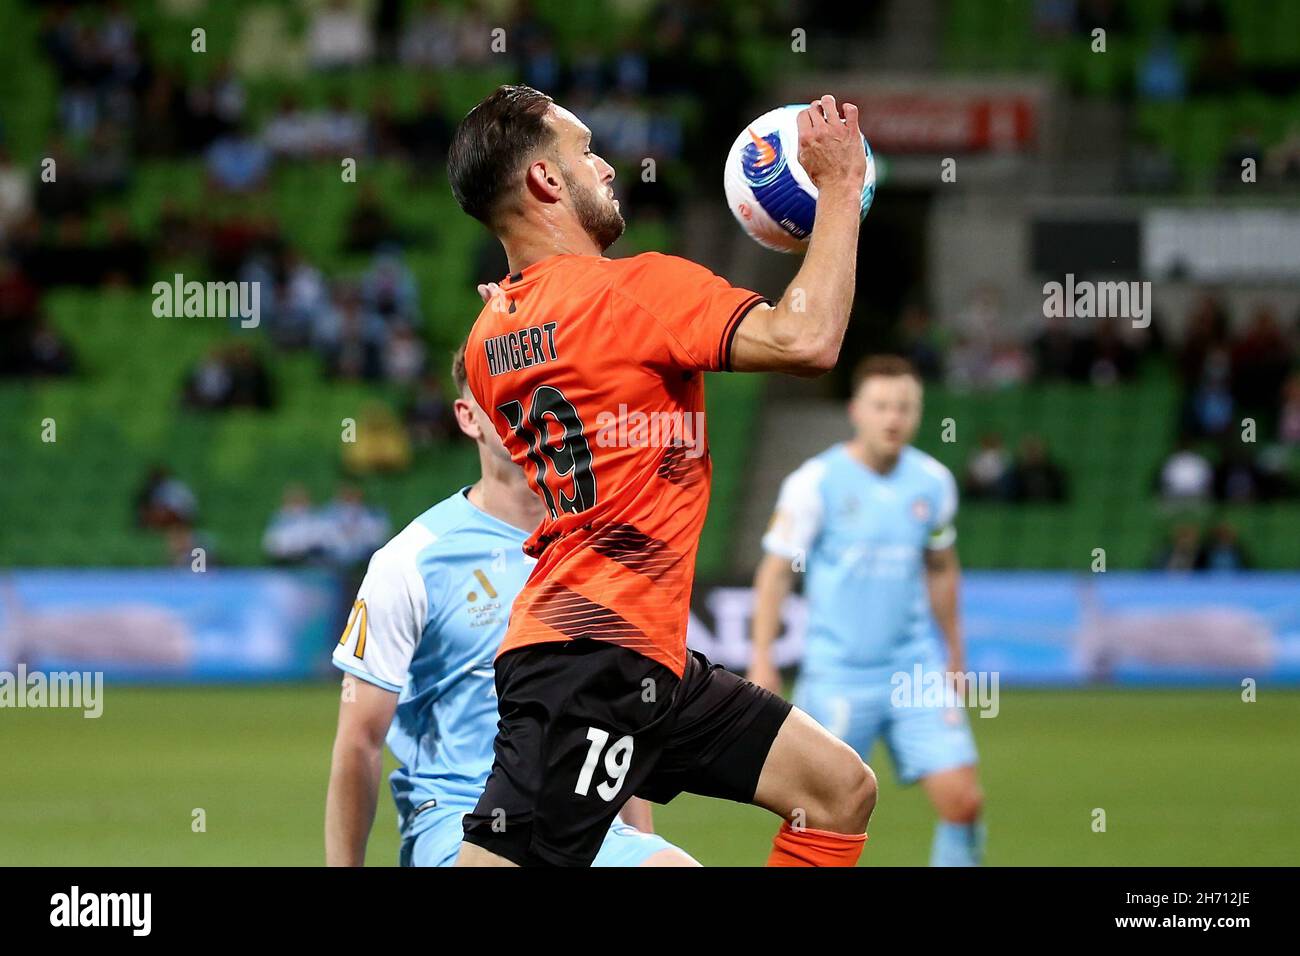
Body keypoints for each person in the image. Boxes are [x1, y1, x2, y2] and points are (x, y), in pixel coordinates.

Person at [449, 85, 876, 867]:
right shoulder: (636, 291)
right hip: (588, 657)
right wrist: (842, 188)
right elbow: (806, 339)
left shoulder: (486, 339)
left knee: (837, 789)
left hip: (646, 657)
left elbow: (553, 355)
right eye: (586, 152)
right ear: (546, 181)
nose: (608, 167)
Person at [325, 343, 695, 867]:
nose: (525, 412)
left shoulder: (600, 546)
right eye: (501, 396)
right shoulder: (410, 562)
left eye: (537, 393)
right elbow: (359, 742)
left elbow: (614, 714)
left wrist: (639, 839)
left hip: (581, 819)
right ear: (467, 418)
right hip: (457, 823)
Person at [748, 356, 986, 866]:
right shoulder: (814, 483)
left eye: (904, 406)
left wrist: (955, 653)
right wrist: (762, 658)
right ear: (857, 410)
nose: (893, 418)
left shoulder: (933, 482)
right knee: (813, 816)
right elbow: (776, 572)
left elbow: (941, 569)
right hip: (838, 674)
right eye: (881, 406)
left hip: (913, 668)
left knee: (964, 802)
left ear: (918, 413)